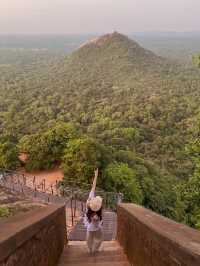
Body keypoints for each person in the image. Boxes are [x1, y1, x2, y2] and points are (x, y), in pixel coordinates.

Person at [84, 168, 103, 254]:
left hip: (90, 228)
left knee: (89, 240)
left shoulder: (89, 205)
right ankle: (95, 249)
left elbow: (93, 187)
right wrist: (96, 175)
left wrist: (96, 175)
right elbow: (93, 187)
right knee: (99, 239)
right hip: (97, 228)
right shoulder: (98, 213)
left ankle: (90, 249)